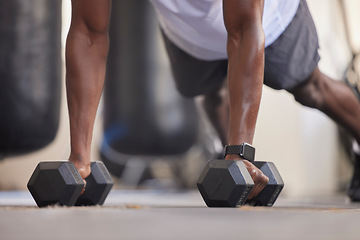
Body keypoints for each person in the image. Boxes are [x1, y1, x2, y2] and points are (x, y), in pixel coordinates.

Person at [66, 0, 360, 201]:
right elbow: (88, 34)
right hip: (188, 28)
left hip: (267, 18)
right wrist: (79, 159)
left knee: (310, 88)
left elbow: (244, 27)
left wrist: (241, 152)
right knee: (209, 90)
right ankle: (232, 163)